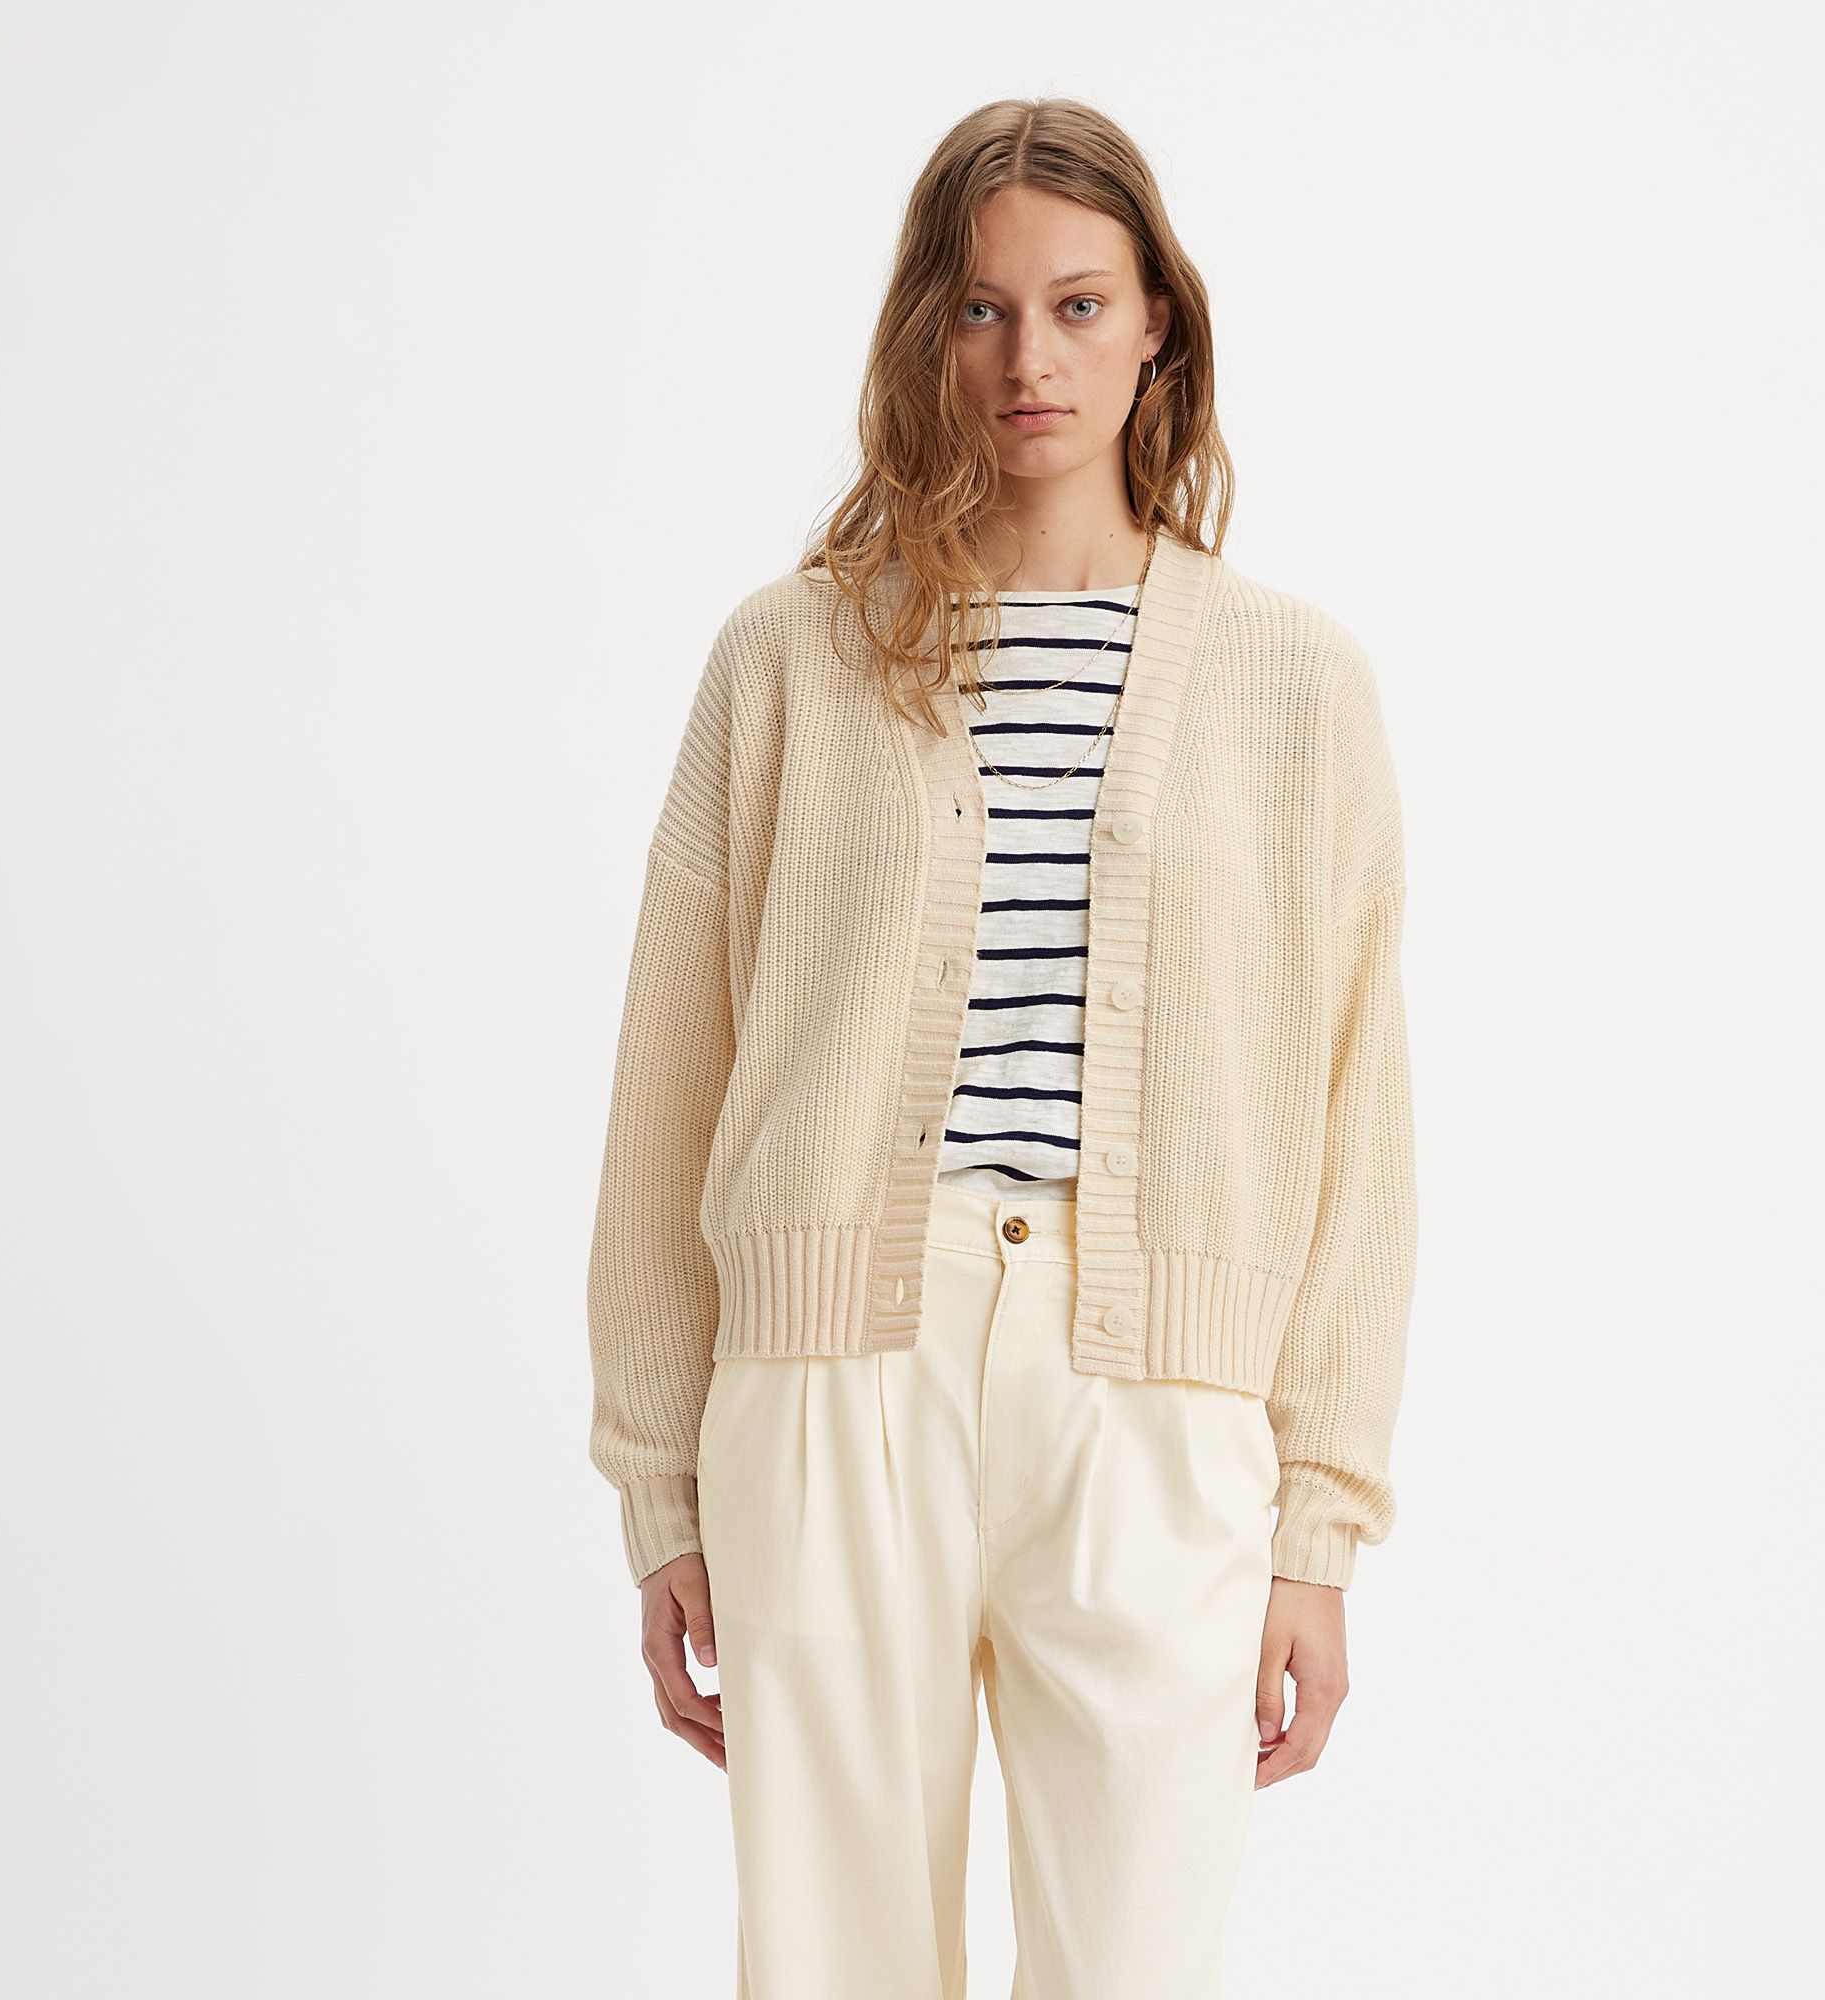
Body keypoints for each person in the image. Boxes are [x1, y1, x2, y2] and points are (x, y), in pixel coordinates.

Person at [583, 95, 1418, 1999]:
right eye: (979, 308)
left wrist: (1318, 1522)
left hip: (1157, 1393)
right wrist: (661, 1491)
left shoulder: (1298, 686)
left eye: (1077, 304)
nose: (1027, 356)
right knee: (834, 1964)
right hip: (832, 1373)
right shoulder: (787, 658)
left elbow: (1360, 1113)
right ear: (925, 335)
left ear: (1156, 327)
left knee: (1133, 1963)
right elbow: (670, 1078)